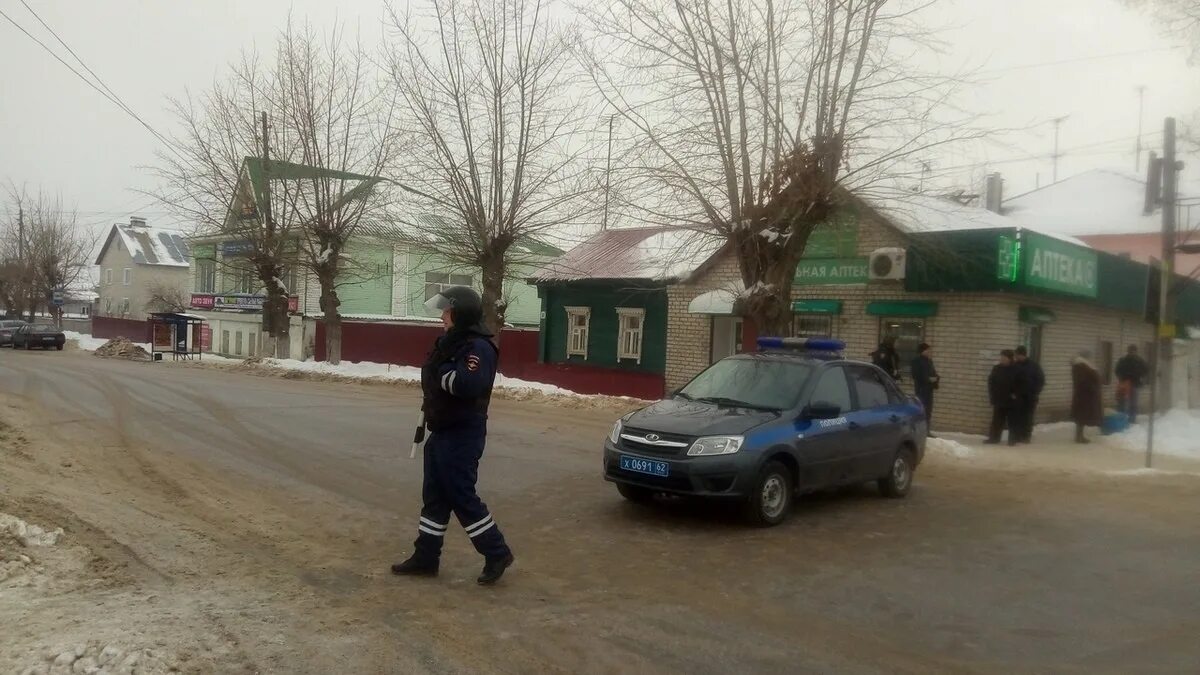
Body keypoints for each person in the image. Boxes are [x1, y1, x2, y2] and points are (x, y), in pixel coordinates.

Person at [392, 286, 515, 585]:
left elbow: (465, 384)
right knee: (434, 496)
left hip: (463, 432)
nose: (442, 318)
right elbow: (436, 378)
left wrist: (440, 370)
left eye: (447, 312)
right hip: (442, 430)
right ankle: (426, 557)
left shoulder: (478, 347)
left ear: (461, 314)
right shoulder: (452, 343)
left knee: (460, 493)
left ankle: (497, 552)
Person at [1012, 346, 1045, 443]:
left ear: (1022, 355)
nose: (1016, 357)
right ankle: (1017, 435)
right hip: (1018, 396)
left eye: (1017, 355)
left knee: (1028, 417)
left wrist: (1035, 392)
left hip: (1030, 396)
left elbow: (1040, 380)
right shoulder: (1015, 365)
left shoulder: (1034, 366)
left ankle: (1026, 436)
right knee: (1017, 416)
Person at [986, 350, 1019, 445]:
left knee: (1012, 421)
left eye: (1004, 358)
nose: (1002, 359)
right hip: (999, 399)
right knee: (997, 420)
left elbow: (1022, 383)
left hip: (1011, 400)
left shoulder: (1016, 369)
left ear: (1010, 359)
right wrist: (992, 395)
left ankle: (1012, 440)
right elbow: (991, 382)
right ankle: (994, 438)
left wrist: (1016, 394)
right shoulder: (997, 368)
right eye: (1001, 357)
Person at [1071, 350, 1103, 444]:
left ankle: (1079, 436)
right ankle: (1079, 437)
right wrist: (1093, 388)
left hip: (1084, 395)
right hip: (1084, 396)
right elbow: (1083, 381)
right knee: (1081, 416)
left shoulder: (1083, 365)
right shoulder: (1081, 366)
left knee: (1081, 416)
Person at [1114, 345, 1149, 424]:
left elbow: (1146, 370)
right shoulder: (1123, 360)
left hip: (1133, 383)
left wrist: (1139, 376)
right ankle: (1122, 418)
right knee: (1122, 401)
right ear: (1128, 351)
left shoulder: (1139, 361)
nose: (1132, 352)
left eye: (1133, 351)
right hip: (1125, 383)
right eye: (1130, 350)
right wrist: (1122, 378)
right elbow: (1117, 370)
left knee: (1132, 402)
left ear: (1136, 351)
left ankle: (1131, 418)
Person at [910, 343, 939, 437]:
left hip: (929, 389)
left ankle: (927, 431)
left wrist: (936, 378)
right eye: (928, 350)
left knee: (928, 410)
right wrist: (927, 379)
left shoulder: (929, 361)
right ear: (922, 351)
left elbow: (934, 373)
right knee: (921, 409)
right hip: (921, 389)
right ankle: (919, 431)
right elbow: (915, 375)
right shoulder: (916, 361)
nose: (930, 352)